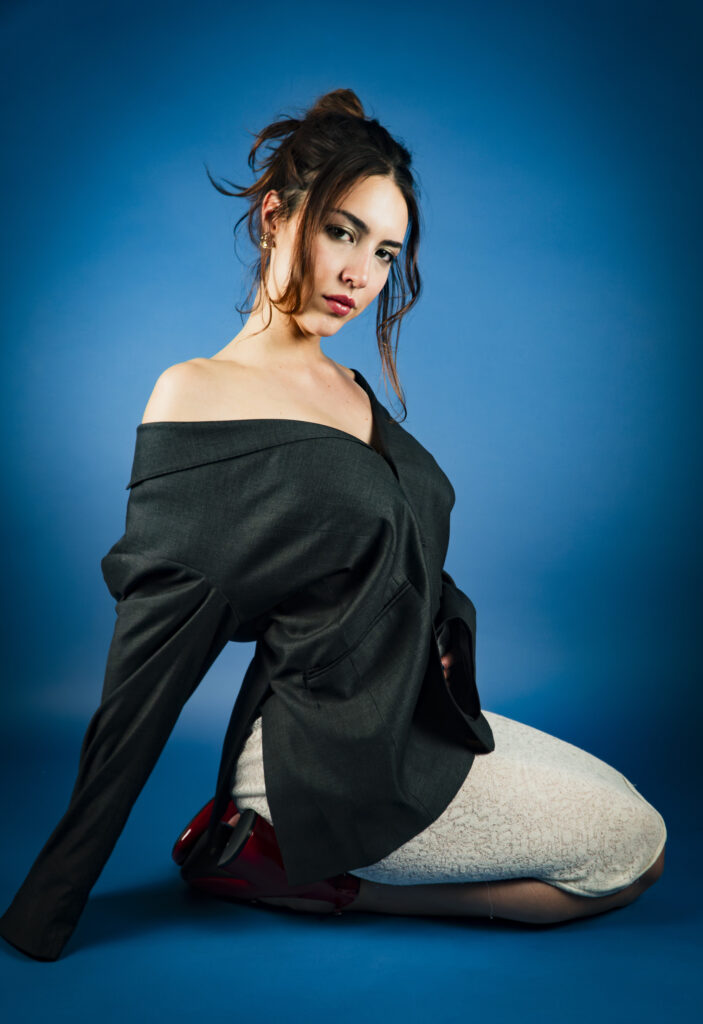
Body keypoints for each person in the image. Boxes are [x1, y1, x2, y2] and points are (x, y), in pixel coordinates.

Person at [0, 88, 666, 962]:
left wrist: (432, 634)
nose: (361, 274)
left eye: (384, 252)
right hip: (319, 765)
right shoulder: (195, 396)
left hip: (406, 722)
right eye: (342, 233)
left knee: (639, 829)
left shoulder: (348, 387)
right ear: (275, 219)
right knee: (624, 852)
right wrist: (50, 902)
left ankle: (283, 863)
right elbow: (149, 661)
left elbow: (387, 550)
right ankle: (299, 872)